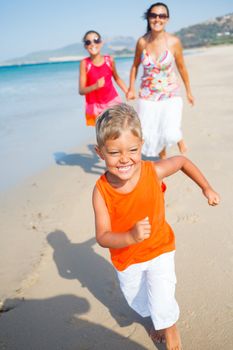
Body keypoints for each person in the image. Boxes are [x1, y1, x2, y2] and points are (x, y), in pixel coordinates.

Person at [92, 103, 219, 350]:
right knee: (138, 299)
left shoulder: (153, 172)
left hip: (160, 248)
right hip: (128, 259)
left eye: (132, 149)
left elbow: (181, 161)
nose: (125, 158)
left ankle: (171, 331)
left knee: (161, 299)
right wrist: (129, 236)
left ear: (142, 145)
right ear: (100, 153)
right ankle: (159, 320)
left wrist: (206, 187)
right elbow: (102, 236)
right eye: (114, 153)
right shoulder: (101, 191)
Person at [127, 3, 194, 159]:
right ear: (149, 18)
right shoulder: (142, 42)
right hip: (147, 94)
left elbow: (182, 68)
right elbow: (135, 66)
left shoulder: (174, 42)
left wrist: (189, 92)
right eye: (154, 15)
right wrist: (131, 88)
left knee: (169, 131)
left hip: (170, 92)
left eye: (162, 16)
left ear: (167, 19)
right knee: (149, 131)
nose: (157, 19)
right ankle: (162, 158)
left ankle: (178, 138)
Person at [79, 30, 128, 126]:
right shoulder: (85, 64)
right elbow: (81, 90)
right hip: (95, 107)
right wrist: (95, 86)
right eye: (88, 42)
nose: (93, 44)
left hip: (112, 101)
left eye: (96, 40)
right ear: (85, 46)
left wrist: (127, 92)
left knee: (117, 129)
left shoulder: (109, 60)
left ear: (101, 43)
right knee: (103, 135)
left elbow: (117, 78)